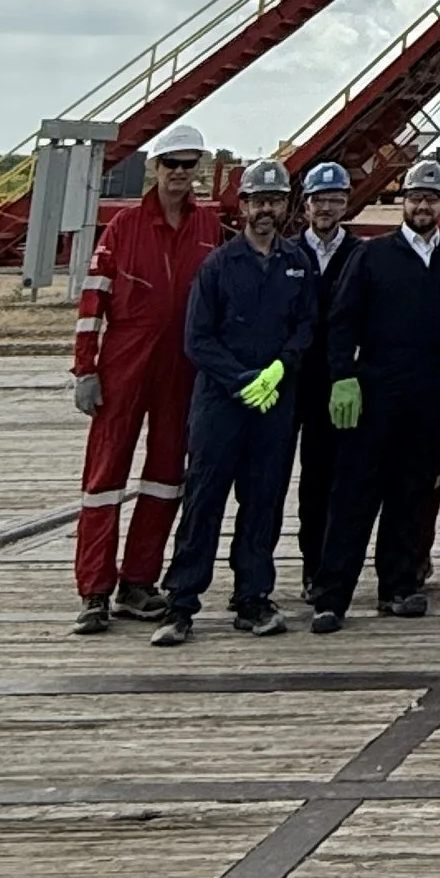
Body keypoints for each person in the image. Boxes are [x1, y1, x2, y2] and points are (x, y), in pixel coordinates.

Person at [153, 161, 318, 646]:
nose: (266, 210)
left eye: (275, 201)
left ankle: (253, 597)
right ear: (243, 206)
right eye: (258, 201)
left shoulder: (297, 263)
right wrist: (240, 379)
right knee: (204, 499)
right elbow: (197, 339)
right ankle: (181, 602)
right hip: (221, 403)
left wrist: (281, 368)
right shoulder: (218, 266)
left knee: (263, 501)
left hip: (274, 402)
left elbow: (306, 325)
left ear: (286, 207)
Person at [311, 157, 440, 632]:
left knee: (412, 494)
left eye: (432, 199)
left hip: (432, 393)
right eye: (416, 197)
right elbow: (341, 321)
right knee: (354, 494)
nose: (424, 206)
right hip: (375, 391)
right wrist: (342, 376)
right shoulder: (372, 256)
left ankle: (399, 587)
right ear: (403, 202)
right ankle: (331, 596)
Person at [69, 123, 223, 633]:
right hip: (124, 362)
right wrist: (86, 368)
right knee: (104, 478)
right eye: (171, 164)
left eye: (188, 164)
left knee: (165, 477)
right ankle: (95, 589)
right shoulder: (124, 226)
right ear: (155, 168)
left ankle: (138, 581)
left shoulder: (208, 227)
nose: (179, 173)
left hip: (182, 366)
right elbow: (93, 300)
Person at [291, 160, 364, 614]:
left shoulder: (359, 254)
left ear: (346, 204)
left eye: (336, 200)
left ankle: (323, 568)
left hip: (336, 381)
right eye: (320, 200)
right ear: (306, 205)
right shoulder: (287, 253)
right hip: (288, 379)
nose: (327, 208)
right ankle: (276, 569)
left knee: (328, 478)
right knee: (276, 480)